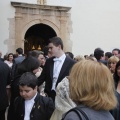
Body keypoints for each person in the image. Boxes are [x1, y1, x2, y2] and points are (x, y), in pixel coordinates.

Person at [38, 37, 75, 101]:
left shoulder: (72, 63)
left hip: (64, 98)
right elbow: (42, 78)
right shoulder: (49, 61)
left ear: (59, 47)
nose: (49, 50)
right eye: (48, 48)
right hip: (49, 96)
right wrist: (30, 85)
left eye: (51, 48)